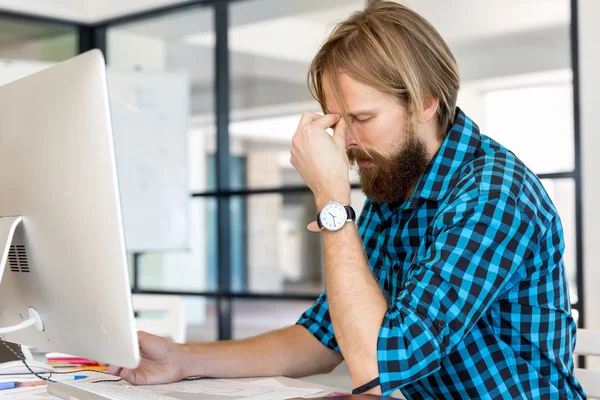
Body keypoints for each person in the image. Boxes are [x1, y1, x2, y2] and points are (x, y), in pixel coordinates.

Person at [108, 1, 586, 398]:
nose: (347, 142)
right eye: (336, 122)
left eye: (362, 117)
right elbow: (321, 338)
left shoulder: (492, 197)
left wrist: (333, 199)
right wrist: (181, 357)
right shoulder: (397, 180)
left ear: (425, 101)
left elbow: (378, 367)